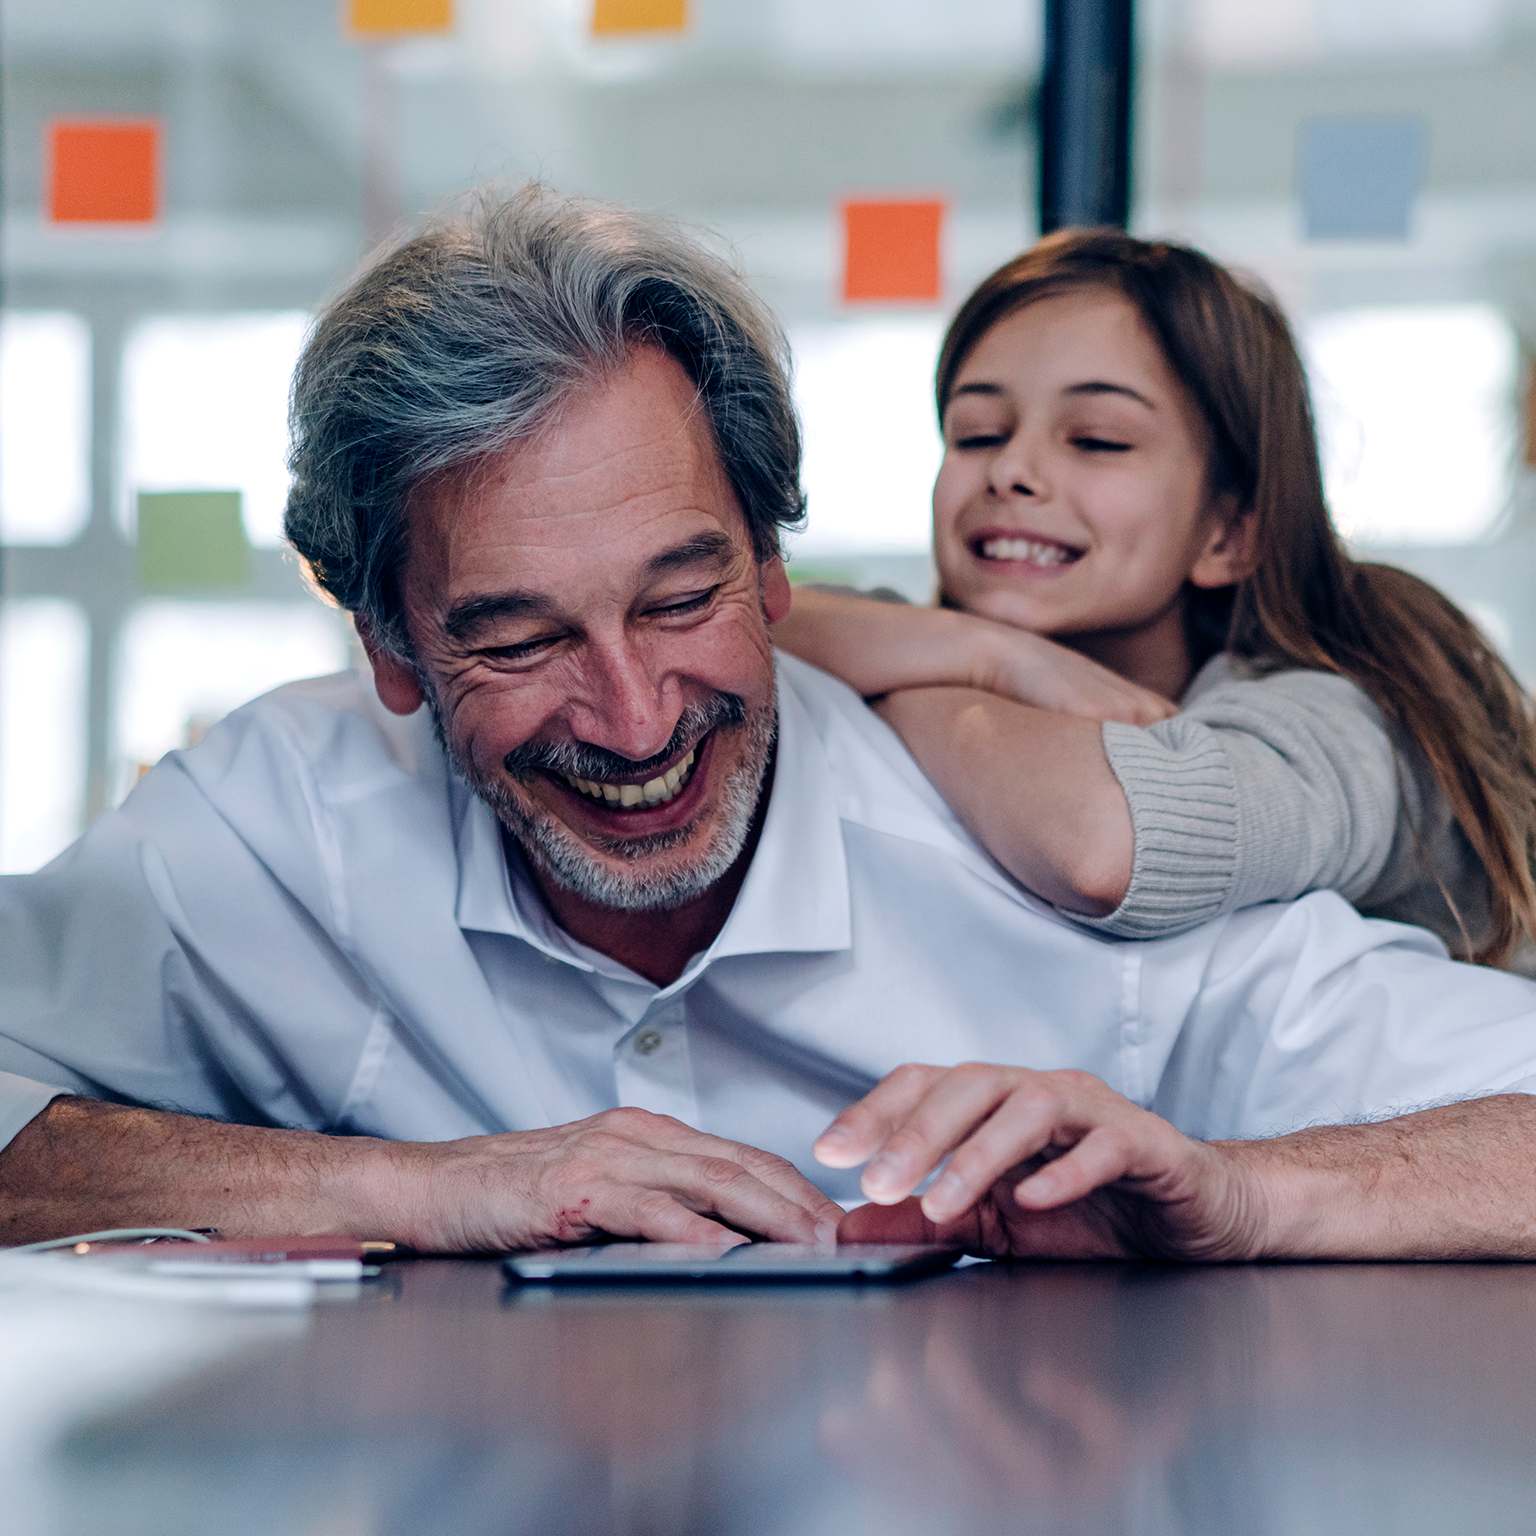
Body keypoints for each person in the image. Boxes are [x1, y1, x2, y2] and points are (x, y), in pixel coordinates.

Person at [2, 184, 1536, 1262]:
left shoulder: (1046, 857)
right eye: (521, 635)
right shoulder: (280, 826)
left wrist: (1243, 1197)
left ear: (774, 564)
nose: (633, 717)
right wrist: (428, 1185)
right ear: (390, 649)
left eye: (683, 599)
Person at [772, 230, 1536, 967]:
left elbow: (1106, 845)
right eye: (976, 433)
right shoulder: (943, 642)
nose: (1011, 469)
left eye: (1097, 439)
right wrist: (989, 657)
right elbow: (741, 623)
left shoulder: (1346, 724)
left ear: (1228, 535)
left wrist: (898, 684)